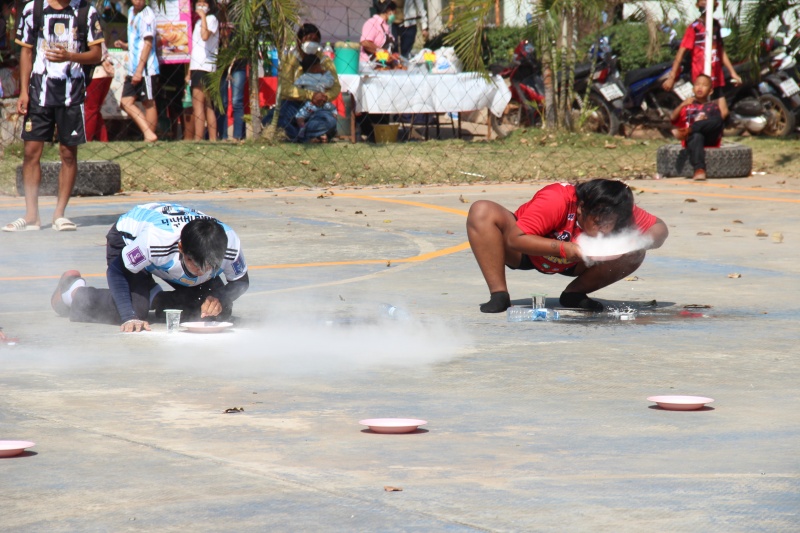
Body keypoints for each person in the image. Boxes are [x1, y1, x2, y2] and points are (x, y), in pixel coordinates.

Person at [466, 179, 669, 313]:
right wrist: (565, 249)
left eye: (611, 224)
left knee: (636, 252)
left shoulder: (617, 208)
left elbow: (660, 228)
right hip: (525, 252)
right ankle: (499, 294)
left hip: (577, 264)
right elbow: (515, 239)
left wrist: (637, 241)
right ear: (581, 208)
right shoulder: (556, 199)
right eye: (598, 223)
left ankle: (574, 294)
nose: (605, 230)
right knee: (482, 210)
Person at [50, 202, 249, 333]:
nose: (202, 272)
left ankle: (154, 296)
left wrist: (220, 297)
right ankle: (72, 292)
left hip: (161, 255)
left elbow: (241, 281)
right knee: (136, 310)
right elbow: (117, 271)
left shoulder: (230, 244)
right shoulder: (155, 242)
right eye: (194, 264)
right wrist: (128, 316)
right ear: (181, 248)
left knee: (216, 311)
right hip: (128, 239)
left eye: (211, 266)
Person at [3, 0, 104, 232]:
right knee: (31, 151)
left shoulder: (86, 12)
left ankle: (59, 214)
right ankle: (31, 216)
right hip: (39, 91)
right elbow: (26, 51)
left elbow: (97, 54)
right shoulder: (34, 9)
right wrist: (24, 91)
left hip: (72, 93)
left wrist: (70, 56)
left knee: (68, 153)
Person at [275, 23, 341, 142]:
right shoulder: (290, 59)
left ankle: (301, 134)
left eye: (315, 40)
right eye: (309, 39)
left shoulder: (325, 61)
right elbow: (285, 88)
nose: (312, 43)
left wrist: (324, 97)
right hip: (294, 104)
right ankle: (312, 135)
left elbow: (336, 87)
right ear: (299, 41)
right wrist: (311, 95)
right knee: (278, 120)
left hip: (319, 105)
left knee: (329, 121)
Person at [662, 0, 741, 95]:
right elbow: (681, 52)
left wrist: (733, 73)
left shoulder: (716, 25)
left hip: (715, 76)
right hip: (700, 78)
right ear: (697, 5)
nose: (706, 3)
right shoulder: (694, 27)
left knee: (720, 104)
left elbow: (720, 51)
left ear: (716, 4)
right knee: (701, 103)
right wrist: (672, 77)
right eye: (703, 1)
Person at [115, 0, 159, 142]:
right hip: (132, 67)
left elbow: (147, 44)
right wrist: (125, 45)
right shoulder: (130, 12)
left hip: (145, 68)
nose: (138, 1)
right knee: (125, 102)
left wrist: (139, 70)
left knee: (148, 102)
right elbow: (137, 40)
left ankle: (149, 137)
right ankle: (149, 134)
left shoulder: (148, 15)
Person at [670, 74, 729, 181]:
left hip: (710, 138)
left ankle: (688, 130)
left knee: (719, 120)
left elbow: (717, 124)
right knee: (697, 135)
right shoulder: (688, 106)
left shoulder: (713, 107)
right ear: (693, 89)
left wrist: (704, 122)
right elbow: (673, 118)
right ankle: (699, 169)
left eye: (704, 85)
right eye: (697, 84)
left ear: (710, 91)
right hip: (694, 139)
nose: (700, 87)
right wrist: (682, 104)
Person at [189, 0, 219, 141]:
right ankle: (209, 138)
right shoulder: (197, 23)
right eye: (199, 2)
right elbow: (195, 48)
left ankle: (199, 138)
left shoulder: (211, 19)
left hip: (205, 66)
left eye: (204, 3)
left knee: (202, 104)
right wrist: (188, 72)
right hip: (196, 66)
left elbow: (205, 36)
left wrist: (202, 17)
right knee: (204, 104)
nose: (201, 5)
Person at [83, 42, 115, 142]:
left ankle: (87, 139)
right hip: (105, 71)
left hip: (96, 71)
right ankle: (103, 139)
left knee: (90, 108)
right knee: (95, 109)